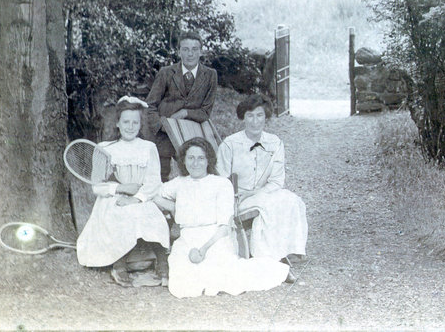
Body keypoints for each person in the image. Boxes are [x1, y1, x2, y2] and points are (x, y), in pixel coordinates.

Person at [155, 137, 290, 298]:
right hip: (187, 239)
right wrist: (173, 207)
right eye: (190, 158)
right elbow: (154, 195)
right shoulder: (179, 183)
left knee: (224, 278)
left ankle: (274, 268)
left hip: (216, 238)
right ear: (183, 160)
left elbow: (224, 227)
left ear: (208, 160)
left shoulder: (220, 184)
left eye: (200, 158)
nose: (195, 163)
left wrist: (204, 249)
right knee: (182, 287)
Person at [76, 96, 170, 287]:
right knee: (119, 215)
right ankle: (119, 265)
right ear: (117, 123)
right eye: (126, 122)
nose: (130, 126)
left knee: (151, 215)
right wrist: (121, 188)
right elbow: (98, 186)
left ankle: (162, 263)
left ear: (140, 124)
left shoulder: (148, 147)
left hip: (141, 197)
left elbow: (154, 182)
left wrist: (137, 198)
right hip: (114, 198)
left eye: (135, 122)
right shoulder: (104, 148)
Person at [216, 94, 308, 262]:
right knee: (269, 205)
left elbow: (277, 181)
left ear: (266, 118)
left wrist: (257, 192)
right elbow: (221, 180)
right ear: (243, 118)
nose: (254, 121)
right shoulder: (230, 144)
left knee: (292, 199)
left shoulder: (275, 143)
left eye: (259, 115)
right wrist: (234, 197)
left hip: (262, 192)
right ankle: (265, 254)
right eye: (249, 116)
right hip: (238, 198)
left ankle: (289, 248)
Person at [146, 31, 218, 180]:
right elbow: (151, 105)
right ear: (179, 51)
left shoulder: (210, 75)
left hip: (192, 134)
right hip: (164, 135)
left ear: (201, 51)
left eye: (194, 49)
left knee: (195, 175)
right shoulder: (166, 73)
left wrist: (185, 113)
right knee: (160, 176)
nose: (190, 54)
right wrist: (161, 126)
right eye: (185, 49)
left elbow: (205, 111)